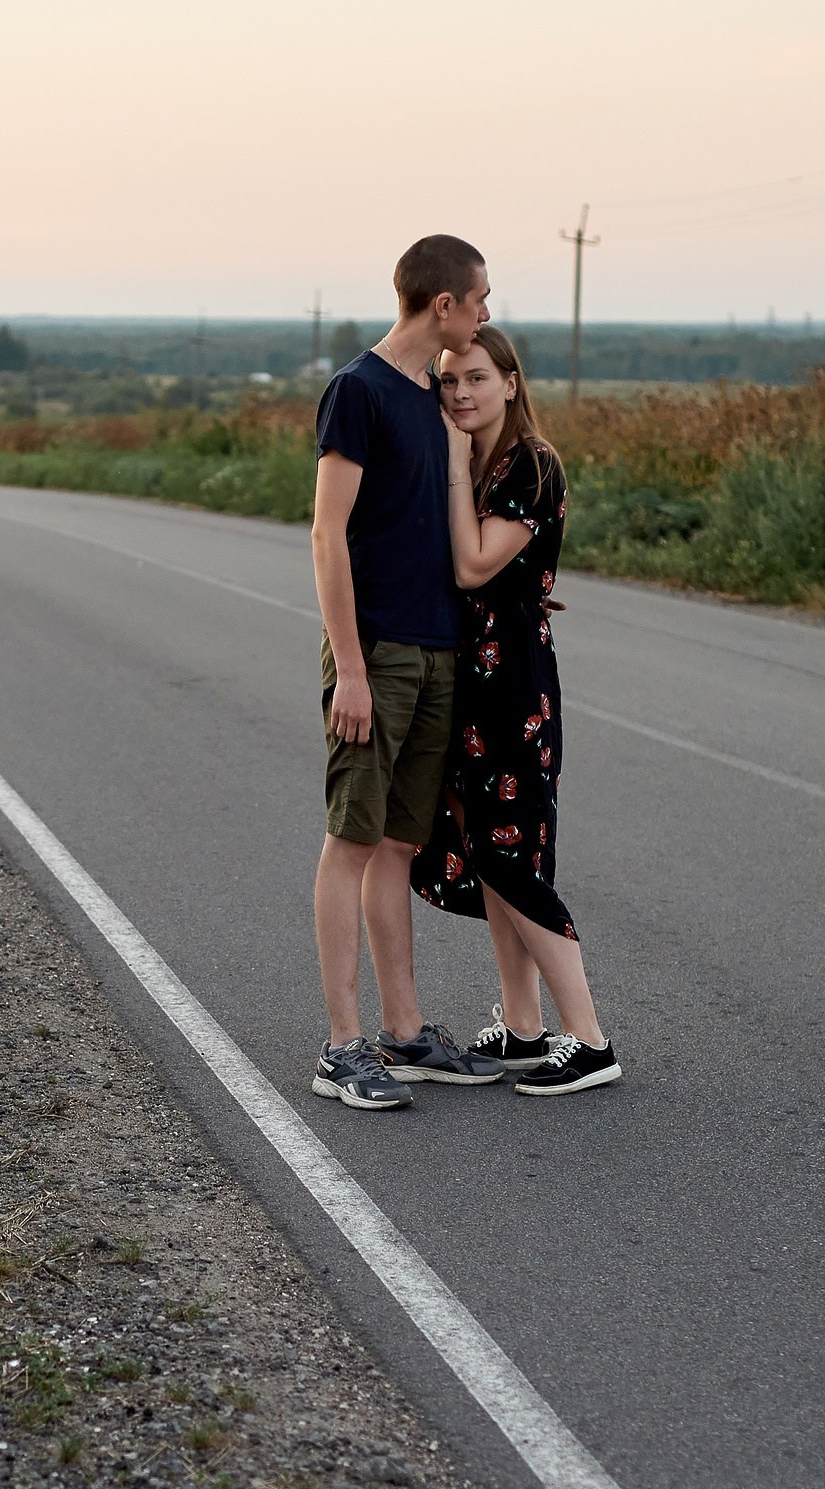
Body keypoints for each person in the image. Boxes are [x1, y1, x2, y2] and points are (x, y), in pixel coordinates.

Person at [308, 236, 507, 1110]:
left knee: (397, 843)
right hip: (378, 652)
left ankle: (404, 1030)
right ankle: (341, 1047)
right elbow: (327, 535)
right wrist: (350, 667)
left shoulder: (436, 398)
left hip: (437, 651)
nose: (487, 312)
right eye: (480, 298)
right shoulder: (359, 391)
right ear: (443, 305)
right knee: (351, 840)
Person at [410, 326, 621, 1096]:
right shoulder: (482, 461)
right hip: (472, 677)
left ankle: (589, 1039)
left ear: (509, 382)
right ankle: (525, 1028)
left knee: (512, 857)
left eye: (475, 377)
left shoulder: (530, 464)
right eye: (448, 380)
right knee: (490, 854)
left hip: (512, 683)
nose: (460, 392)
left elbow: (472, 566)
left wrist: (453, 466)